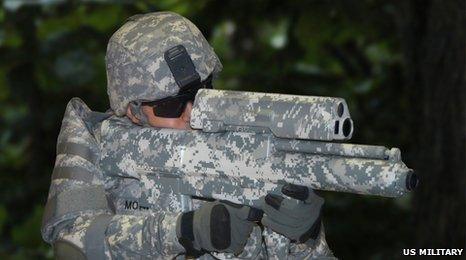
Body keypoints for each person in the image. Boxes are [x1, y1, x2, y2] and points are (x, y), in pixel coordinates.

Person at [41, 12, 336, 259]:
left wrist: (305, 240)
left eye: (201, 94)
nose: (192, 113)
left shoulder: (246, 148)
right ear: (132, 111)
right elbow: (72, 245)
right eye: (171, 104)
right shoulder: (98, 145)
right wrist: (182, 230)